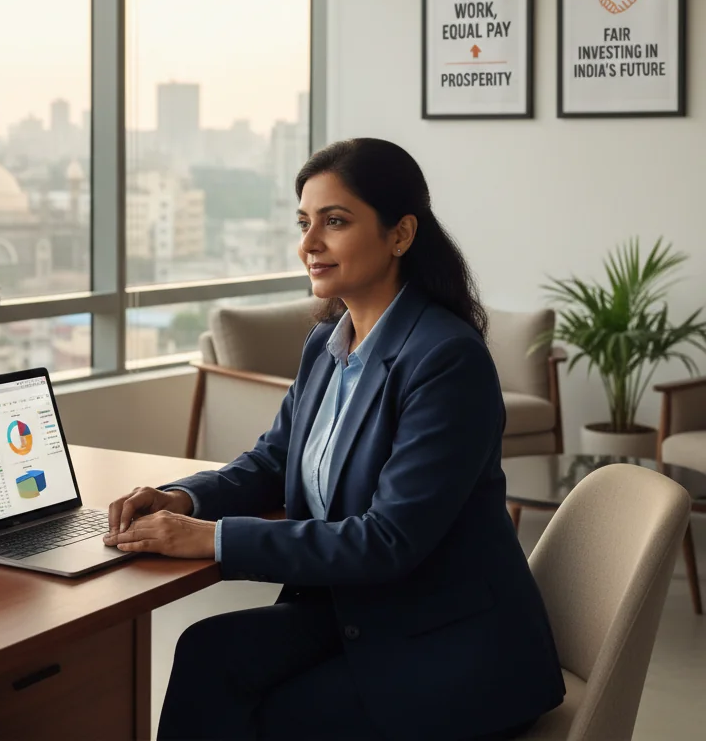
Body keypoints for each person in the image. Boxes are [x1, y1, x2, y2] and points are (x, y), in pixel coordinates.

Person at [103, 138, 565, 741]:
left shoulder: (447, 360)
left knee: (268, 715)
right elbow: (273, 460)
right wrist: (182, 501)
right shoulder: (326, 344)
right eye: (304, 222)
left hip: (447, 643)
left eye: (335, 222)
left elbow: (388, 540)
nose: (309, 244)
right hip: (357, 611)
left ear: (401, 234)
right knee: (206, 653)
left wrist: (211, 540)